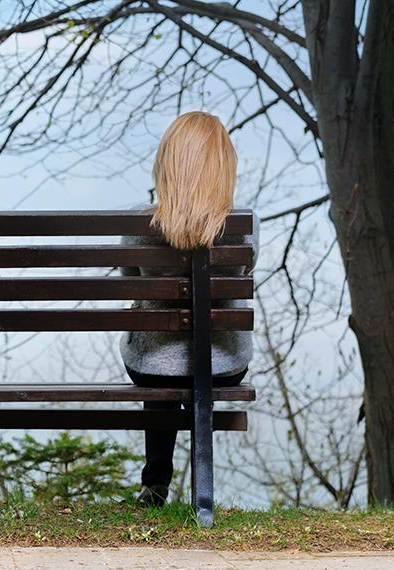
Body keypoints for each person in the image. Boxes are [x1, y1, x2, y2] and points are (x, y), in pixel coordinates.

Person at [119, 111, 258, 506]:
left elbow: (130, 276)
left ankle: (155, 482)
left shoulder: (136, 225)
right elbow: (246, 270)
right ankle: (203, 488)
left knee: (159, 367)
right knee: (186, 367)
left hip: (150, 364)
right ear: (223, 167)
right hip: (223, 365)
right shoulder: (245, 225)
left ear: (167, 164)